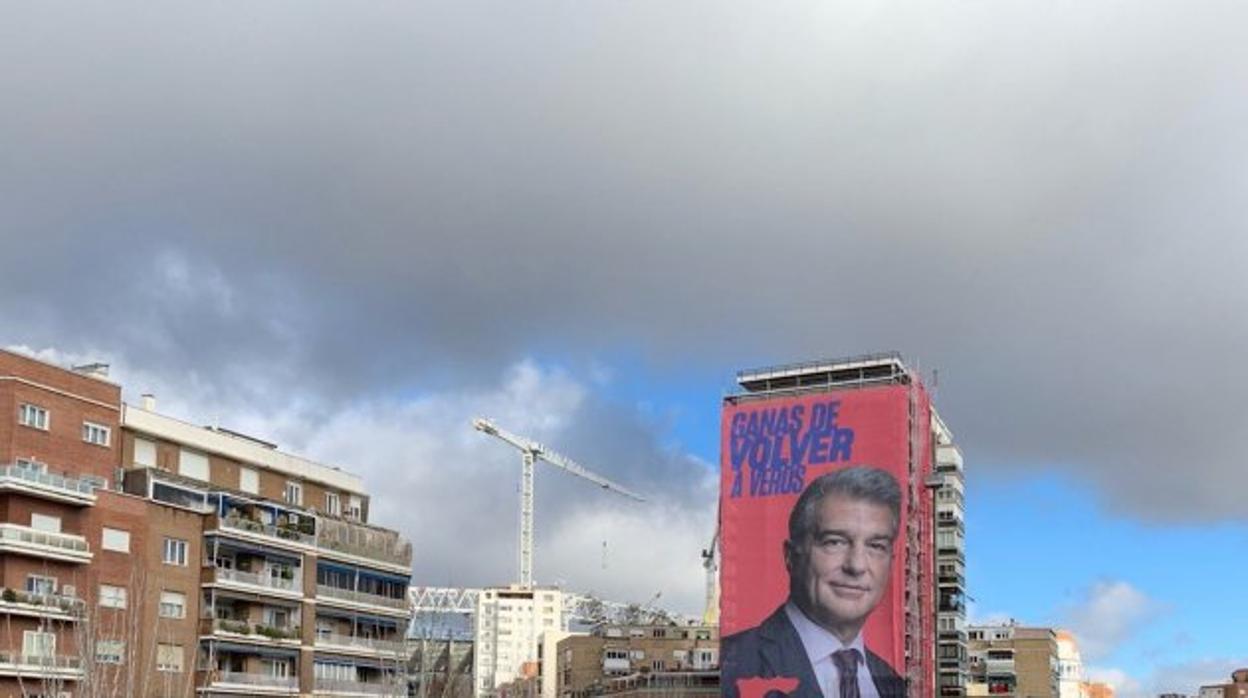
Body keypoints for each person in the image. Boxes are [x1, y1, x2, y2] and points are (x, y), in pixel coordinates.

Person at [721, 466, 906, 698]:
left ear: (891, 562)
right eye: (834, 542)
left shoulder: (895, 685)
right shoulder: (730, 665)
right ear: (791, 556)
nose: (857, 565)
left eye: (876, 546)